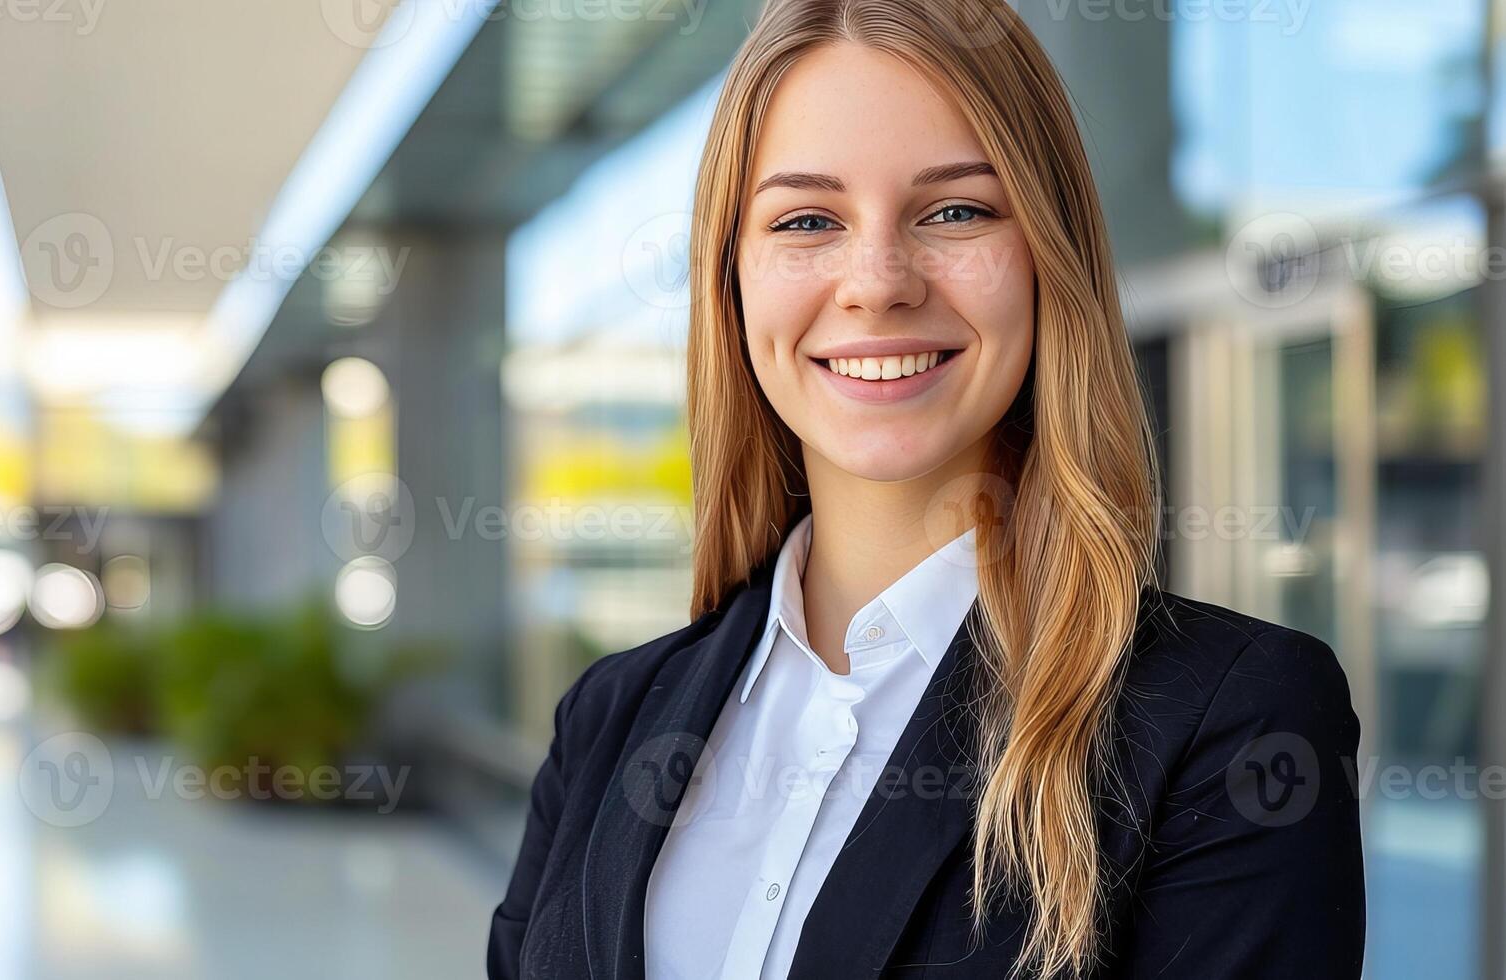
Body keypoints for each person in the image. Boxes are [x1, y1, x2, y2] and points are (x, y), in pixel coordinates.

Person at [484, 1, 1365, 977]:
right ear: (730, 281)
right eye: (806, 219)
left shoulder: (1227, 719)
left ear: (1046, 256)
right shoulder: (606, 718)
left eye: (954, 210)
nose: (876, 281)